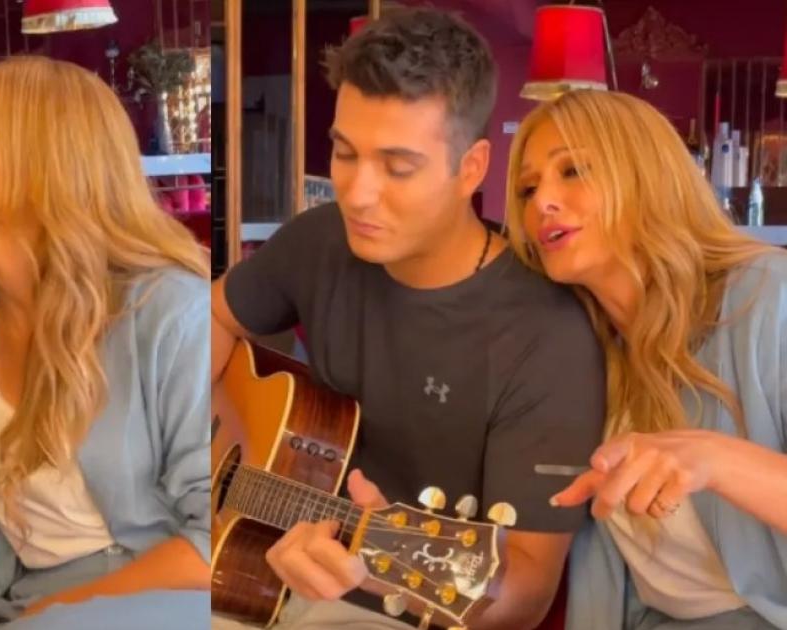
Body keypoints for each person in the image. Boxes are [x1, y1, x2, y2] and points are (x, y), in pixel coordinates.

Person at [210, 6, 609, 630]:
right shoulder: (320, 240)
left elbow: (527, 591)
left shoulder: (546, 335)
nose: (358, 193)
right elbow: (211, 317)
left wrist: (373, 562)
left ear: (470, 169)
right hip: (253, 572)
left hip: (399, 610)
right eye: (344, 153)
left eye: (398, 168)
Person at [0, 55, 211, 630]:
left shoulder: (171, 313)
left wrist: (56, 614)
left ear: (48, 164)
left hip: (165, 602)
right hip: (18, 608)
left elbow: (216, 537)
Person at [506, 89, 787, 630]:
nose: (543, 202)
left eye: (573, 170)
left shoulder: (769, 296)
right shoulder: (576, 350)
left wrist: (717, 460)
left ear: (646, 174)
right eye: (527, 188)